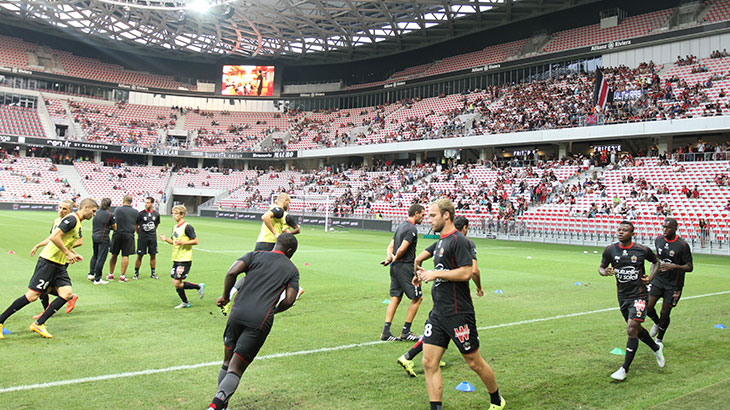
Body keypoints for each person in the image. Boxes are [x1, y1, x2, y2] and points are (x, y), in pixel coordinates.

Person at [412, 198, 504, 410]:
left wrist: (435, 274)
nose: (429, 219)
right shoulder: (440, 241)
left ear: (446, 215)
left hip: (458, 312)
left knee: (474, 362)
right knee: (429, 362)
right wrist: (420, 274)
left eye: (433, 215)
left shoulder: (459, 241)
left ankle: (497, 400)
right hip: (438, 312)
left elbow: (466, 272)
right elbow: (425, 263)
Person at [207, 233, 300, 410]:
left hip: (237, 313)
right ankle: (215, 407)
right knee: (236, 368)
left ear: (276, 244)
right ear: (289, 251)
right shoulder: (292, 270)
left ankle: (223, 406)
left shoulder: (254, 255)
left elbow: (232, 272)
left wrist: (225, 296)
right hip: (259, 320)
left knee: (227, 362)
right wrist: (274, 310)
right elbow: (289, 300)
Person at [398, 215, 484, 377]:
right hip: (455, 300)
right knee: (472, 356)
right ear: (465, 227)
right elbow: (474, 271)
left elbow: (418, 258)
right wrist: (479, 287)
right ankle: (408, 356)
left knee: (439, 329)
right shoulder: (465, 242)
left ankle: (425, 356)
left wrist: (417, 275)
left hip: (439, 294)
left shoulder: (442, 241)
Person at [0, 198, 98, 339]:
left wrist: (73, 253)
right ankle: (0, 320)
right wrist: (67, 253)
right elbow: (54, 237)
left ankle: (39, 324)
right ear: (86, 207)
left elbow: (65, 240)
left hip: (59, 264)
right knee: (32, 296)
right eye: (93, 211)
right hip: (48, 262)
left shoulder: (77, 222)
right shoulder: (72, 219)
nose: (94, 214)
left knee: (67, 293)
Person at [599, 221, 665, 381]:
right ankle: (656, 348)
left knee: (631, 329)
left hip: (639, 295)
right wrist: (603, 271)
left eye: (625, 230)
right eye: (619, 230)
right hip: (622, 297)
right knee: (636, 329)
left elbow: (657, 261)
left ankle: (624, 369)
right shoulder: (610, 250)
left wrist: (651, 278)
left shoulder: (641, 250)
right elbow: (601, 267)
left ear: (632, 233)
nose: (621, 232)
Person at [380, 203, 425, 342]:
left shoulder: (400, 226)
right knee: (417, 298)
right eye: (422, 215)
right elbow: (402, 248)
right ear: (416, 213)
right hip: (405, 267)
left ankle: (386, 332)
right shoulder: (411, 228)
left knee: (396, 297)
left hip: (395, 268)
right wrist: (394, 259)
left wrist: (390, 258)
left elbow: (390, 246)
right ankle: (406, 331)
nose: (423, 218)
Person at [646, 218, 693, 344]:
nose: (665, 229)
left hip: (674, 284)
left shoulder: (682, 245)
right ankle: (657, 323)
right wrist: (651, 276)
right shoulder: (659, 240)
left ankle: (659, 339)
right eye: (664, 227)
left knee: (665, 312)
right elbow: (656, 260)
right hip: (658, 280)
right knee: (647, 307)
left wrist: (674, 266)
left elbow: (689, 267)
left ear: (675, 229)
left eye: (668, 227)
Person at [30, 200, 80, 317]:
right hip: (52, 257)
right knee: (43, 287)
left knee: (42, 287)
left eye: (64, 209)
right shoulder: (57, 221)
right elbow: (53, 239)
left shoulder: (73, 222)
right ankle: (50, 310)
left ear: (70, 210)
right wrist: (38, 245)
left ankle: (48, 311)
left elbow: (76, 241)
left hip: (60, 259)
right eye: (60, 208)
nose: (61, 211)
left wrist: (69, 252)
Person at [159, 205, 204, 309]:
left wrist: (182, 242)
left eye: (176, 214)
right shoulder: (175, 227)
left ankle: (198, 287)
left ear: (182, 215)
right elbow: (174, 242)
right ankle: (185, 302)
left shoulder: (187, 227)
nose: (173, 215)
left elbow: (195, 241)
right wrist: (166, 239)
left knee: (177, 282)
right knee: (176, 282)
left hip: (184, 258)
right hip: (176, 257)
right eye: (173, 213)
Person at [107, 195, 138, 282]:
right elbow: (136, 223)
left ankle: (111, 274)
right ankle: (122, 276)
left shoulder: (118, 209)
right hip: (129, 234)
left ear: (123, 201)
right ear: (131, 202)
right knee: (125, 255)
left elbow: (114, 220)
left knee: (114, 254)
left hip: (118, 233)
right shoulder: (135, 211)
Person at [89, 198, 116, 285]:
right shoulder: (109, 215)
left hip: (94, 235)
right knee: (101, 257)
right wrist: (109, 227)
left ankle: (91, 273)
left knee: (95, 255)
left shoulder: (96, 213)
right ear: (109, 205)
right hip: (103, 237)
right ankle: (97, 279)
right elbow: (115, 227)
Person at [134, 196, 161, 280]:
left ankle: (153, 273)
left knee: (153, 255)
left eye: (148, 203)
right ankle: (136, 273)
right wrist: (139, 233)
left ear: (152, 203)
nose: (146, 204)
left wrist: (151, 231)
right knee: (140, 255)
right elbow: (136, 225)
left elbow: (156, 225)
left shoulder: (156, 214)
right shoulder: (140, 214)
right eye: (145, 202)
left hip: (152, 237)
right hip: (142, 237)